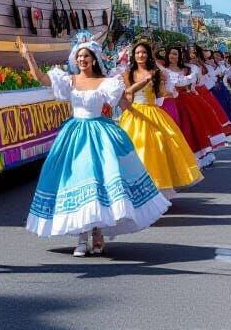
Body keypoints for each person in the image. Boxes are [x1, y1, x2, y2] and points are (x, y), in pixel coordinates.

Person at [17, 36, 169, 256]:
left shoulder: (107, 83)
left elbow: (124, 104)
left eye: (86, 56)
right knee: (77, 181)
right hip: (75, 136)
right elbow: (42, 78)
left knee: (98, 183)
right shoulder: (68, 80)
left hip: (99, 135)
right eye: (79, 56)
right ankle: (81, 237)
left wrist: (137, 103)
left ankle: (97, 232)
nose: (82, 59)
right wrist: (28, 57)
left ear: (94, 59)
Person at [117, 41, 202, 194]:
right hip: (134, 114)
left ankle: (157, 185)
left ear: (148, 55)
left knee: (160, 146)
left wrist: (169, 89)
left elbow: (162, 92)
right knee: (135, 148)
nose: (140, 55)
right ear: (133, 55)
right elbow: (128, 94)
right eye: (137, 53)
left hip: (153, 112)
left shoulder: (157, 72)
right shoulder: (127, 73)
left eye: (144, 52)